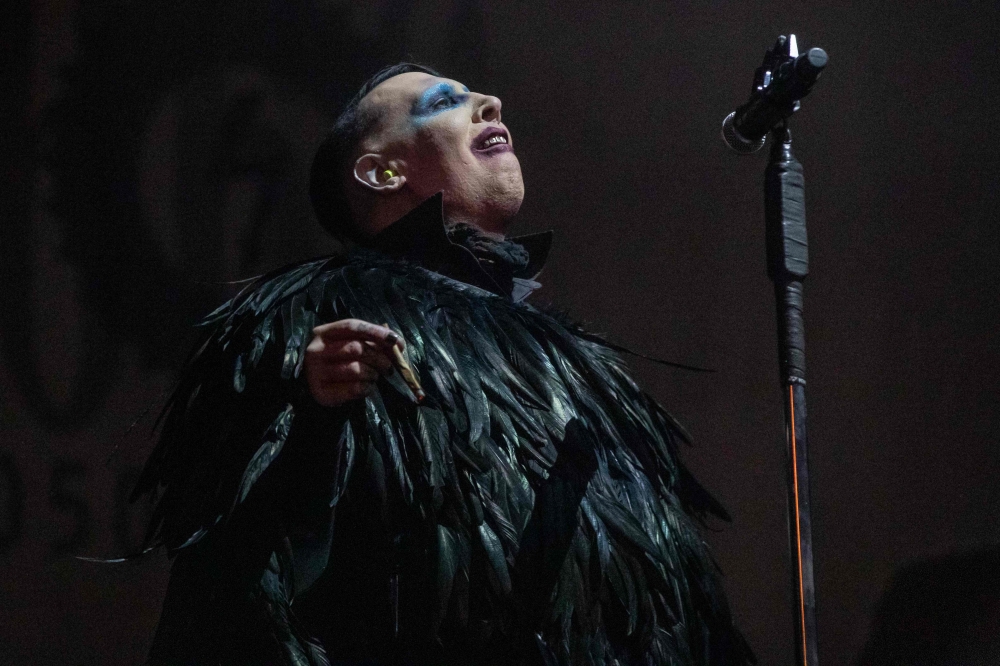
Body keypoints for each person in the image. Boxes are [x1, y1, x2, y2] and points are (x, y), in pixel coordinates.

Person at [133, 63, 752, 666]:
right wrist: (306, 413)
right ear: (381, 171)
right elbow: (236, 575)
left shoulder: (582, 369)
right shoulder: (315, 316)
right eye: (443, 102)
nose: (491, 103)